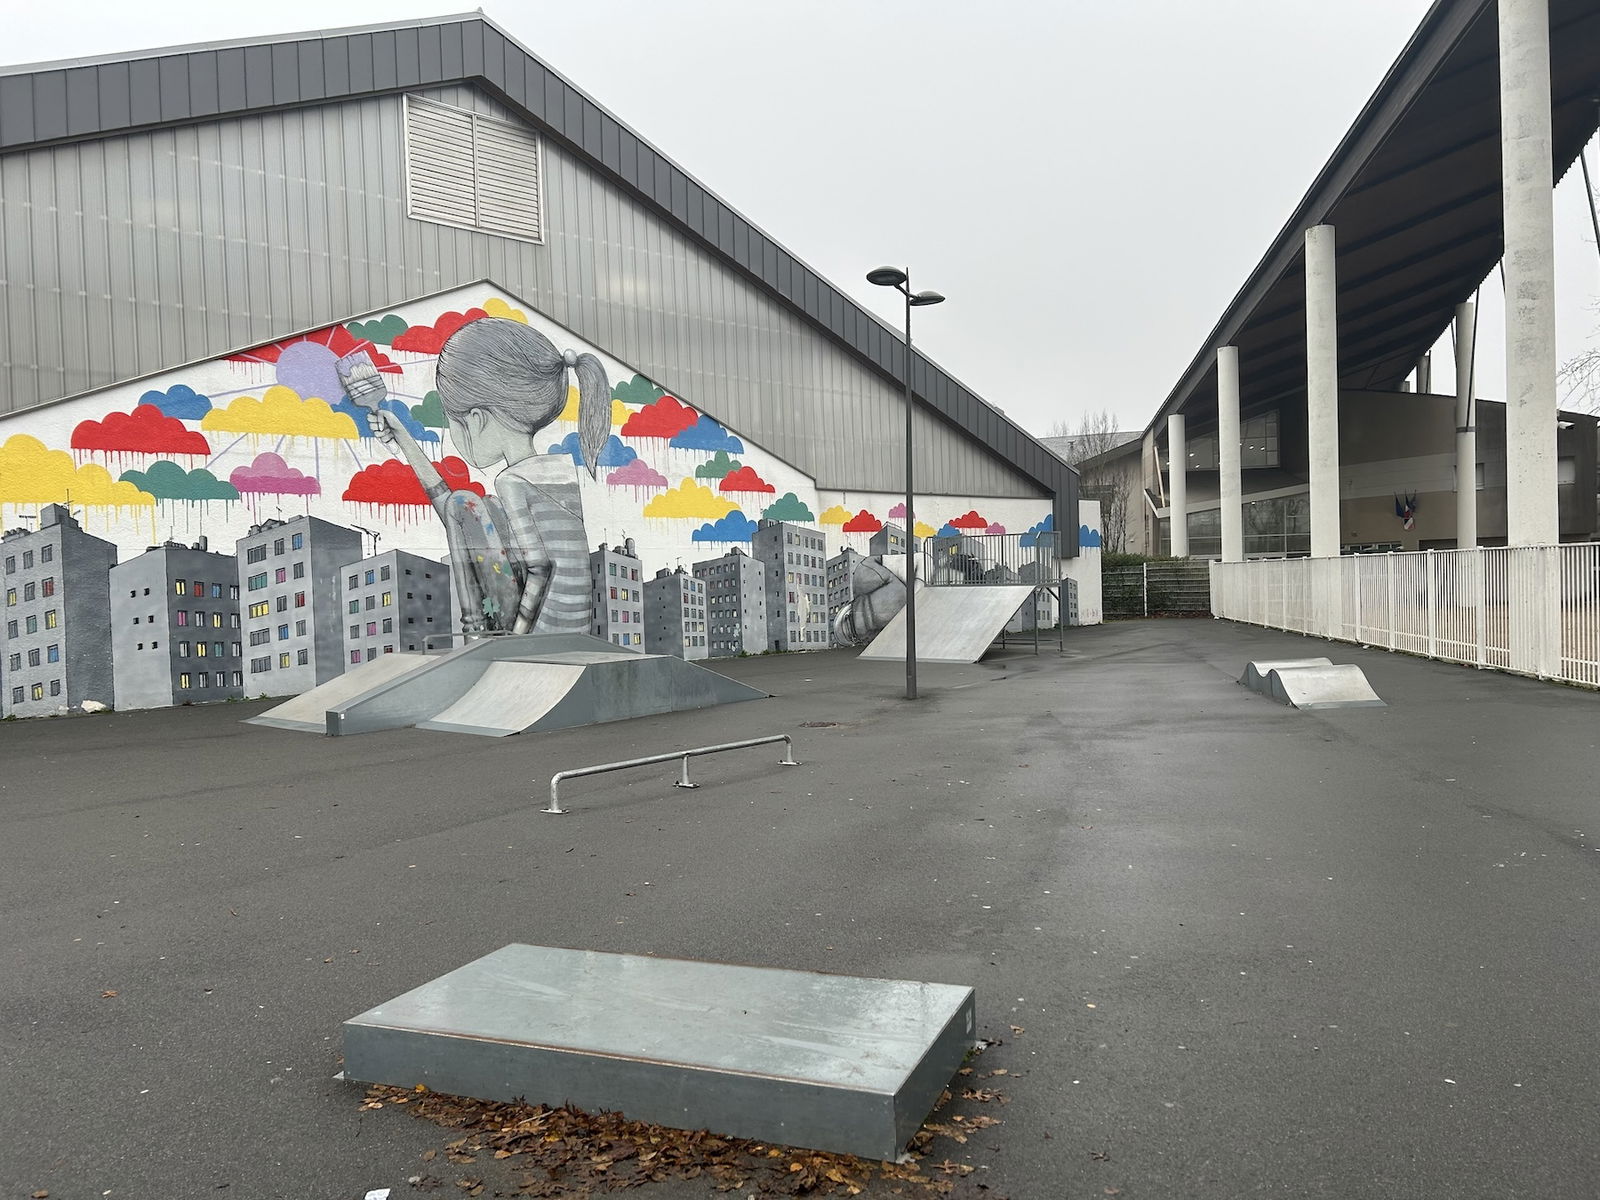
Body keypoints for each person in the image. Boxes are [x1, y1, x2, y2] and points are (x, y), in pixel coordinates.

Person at [347, 318, 611, 636]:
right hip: (575, 629)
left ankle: (475, 631)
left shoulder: (512, 482)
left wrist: (515, 640)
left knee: (463, 502)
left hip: (540, 632)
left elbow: (540, 567)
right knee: (475, 506)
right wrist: (404, 440)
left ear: (477, 419)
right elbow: (463, 524)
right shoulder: (560, 471)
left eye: (454, 425)